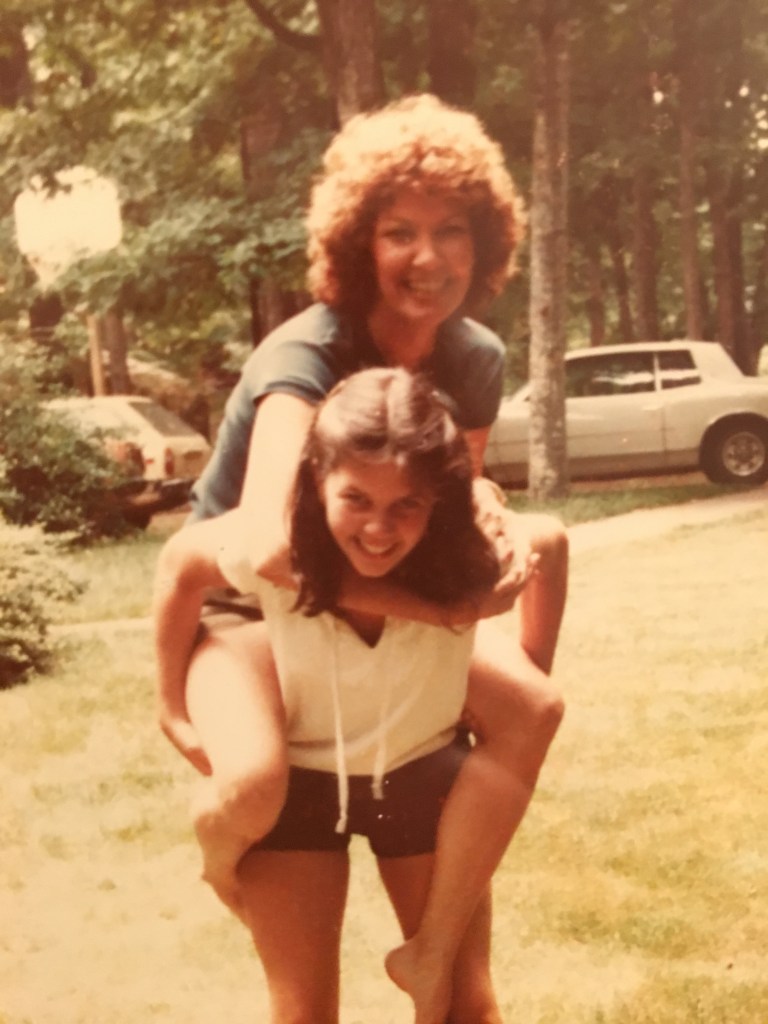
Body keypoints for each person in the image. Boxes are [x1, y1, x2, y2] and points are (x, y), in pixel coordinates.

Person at [155, 94, 568, 1023]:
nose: (430, 258)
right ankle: (223, 851)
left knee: (531, 707)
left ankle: (430, 953)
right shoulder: (306, 355)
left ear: (485, 241)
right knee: (260, 797)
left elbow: (453, 502)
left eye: (452, 231)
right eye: (399, 232)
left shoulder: (474, 357)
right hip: (256, 614)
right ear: (356, 243)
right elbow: (265, 546)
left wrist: (490, 528)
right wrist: (443, 613)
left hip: (374, 598)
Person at [157, 368, 513, 1021]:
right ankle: (220, 849)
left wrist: (517, 656)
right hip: (300, 783)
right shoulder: (279, 546)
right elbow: (182, 563)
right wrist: (170, 707)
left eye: (406, 504)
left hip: (421, 775)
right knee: (303, 1012)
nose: (379, 528)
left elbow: (548, 543)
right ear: (318, 479)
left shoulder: (465, 552)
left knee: (466, 1005)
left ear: (437, 498)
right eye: (356, 499)